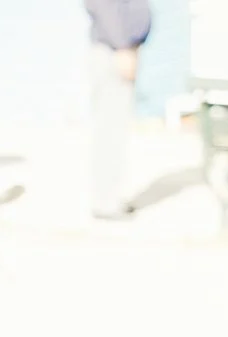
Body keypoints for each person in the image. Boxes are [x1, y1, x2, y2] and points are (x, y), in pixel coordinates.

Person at [87, 0, 152, 219]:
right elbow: (103, 6)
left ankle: (110, 197)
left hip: (120, 49)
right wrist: (122, 46)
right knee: (110, 128)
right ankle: (105, 202)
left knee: (115, 127)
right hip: (114, 51)